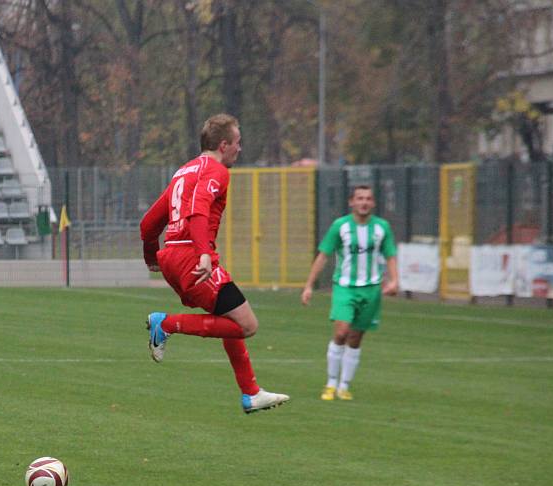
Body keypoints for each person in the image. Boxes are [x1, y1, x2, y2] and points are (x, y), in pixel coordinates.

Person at [140, 114, 290, 414]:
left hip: (173, 255)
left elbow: (148, 224)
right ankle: (165, 324)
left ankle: (251, 393)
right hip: (192, 257)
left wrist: (151, 258)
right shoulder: (217, 170)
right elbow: (198, 211)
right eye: (237, 143)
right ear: (224, 145)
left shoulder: (183, 171)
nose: (240, 149)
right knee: (247, 325)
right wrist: (204, 253)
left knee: (228, 320)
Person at [301, 185, 399, 400]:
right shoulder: (341, 226)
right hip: (344, 287)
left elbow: (390, 254)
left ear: (373, 203)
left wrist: (394, 281)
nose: (364, 202)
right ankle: (330, 383)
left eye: (368, 198)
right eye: (360, 198)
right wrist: (309, 285)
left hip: (372, 289)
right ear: (351, 202)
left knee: (355, 337)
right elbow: (323, 255)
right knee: (341, 332)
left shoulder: (382, 228)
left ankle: (344, 386)